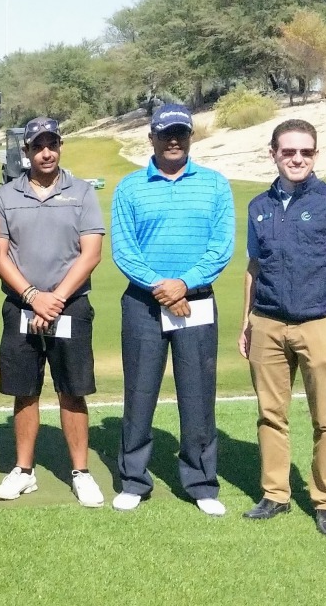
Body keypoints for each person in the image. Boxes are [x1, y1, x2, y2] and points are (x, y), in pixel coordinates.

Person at [239, 119, 326, 536]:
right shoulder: (258, 206)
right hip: (267, 322)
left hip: (321, 323)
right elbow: (254, 267)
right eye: (289, 151)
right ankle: (275, 494)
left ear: (315, 154)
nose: (297, 159)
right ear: (273, 153)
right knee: (269, 415)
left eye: (306, 152)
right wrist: (246, 322)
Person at [110, 103, 234, 515]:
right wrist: (163, 288)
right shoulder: (129, 187)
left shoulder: (215, 185)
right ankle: (134, 479)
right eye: (165, 134)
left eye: (181, 133)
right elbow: (124, 250)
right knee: (139, 392)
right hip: (143, 303)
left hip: (195, 301)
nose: (174, 140)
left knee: (198, 394)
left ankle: (201, 483)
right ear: (152, 138)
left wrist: (184, 283)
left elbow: (221, 247)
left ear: (191, 136)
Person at [0, 117, 106, 507]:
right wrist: (33, 296)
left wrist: (54, 298)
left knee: (72, 390)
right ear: (26, 151)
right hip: (21, 306)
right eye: (38, 146)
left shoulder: (82, 192)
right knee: (24, 391)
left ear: (60, 147)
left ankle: (81, 472)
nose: (46, 152)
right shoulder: (6, 195)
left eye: (52, 144)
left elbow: (91, 253)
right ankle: (24, 471)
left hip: (70, 306)